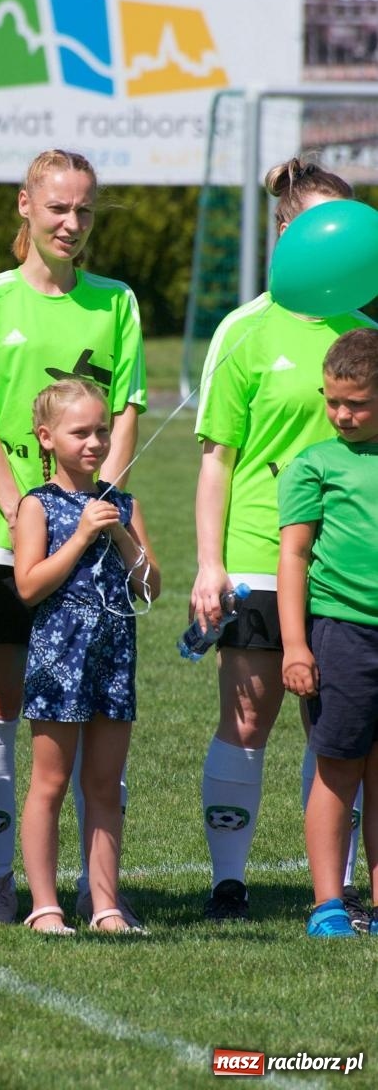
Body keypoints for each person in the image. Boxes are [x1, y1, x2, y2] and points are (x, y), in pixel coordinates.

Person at [0, 148, 146, 924]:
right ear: (24, 208)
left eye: (85, 210)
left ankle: (100, 892)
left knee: (100, 705)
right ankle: (4, 878)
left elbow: (125, 412)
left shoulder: (117, 302)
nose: (72, 223)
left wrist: (103, 503)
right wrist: (23, 508)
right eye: (58, 207)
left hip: (94, 539)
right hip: (11, 535)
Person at [191, 156, 376, 924]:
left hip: (342, 574)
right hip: (258, 556)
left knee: (337, 728)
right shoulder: (245, 328)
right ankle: (228, 883)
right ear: (287, 231)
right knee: (248, 716)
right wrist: (210, 564)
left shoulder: (367, 328)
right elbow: (215, 459)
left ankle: (327, 891)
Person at [14, 379, 159, 933]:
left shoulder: (123, 503)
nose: (95, 442)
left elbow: (150, 588)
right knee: (49, 782)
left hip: (113, 654)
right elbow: (28, 587)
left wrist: (123, 538)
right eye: (81, 432)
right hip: (59, 654)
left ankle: (105, 905)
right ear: (47, 438)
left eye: (103, 430)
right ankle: (44, 906)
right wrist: (77, 538)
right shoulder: (38, 505)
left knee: (104, 784)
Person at [278, 329, 378, 937]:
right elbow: (293, 558)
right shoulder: (314, 465)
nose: (341, 414)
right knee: (337, 768)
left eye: (358, 403)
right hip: (341, 635)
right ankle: (328, 905)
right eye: (333, 400)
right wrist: (296, 644)